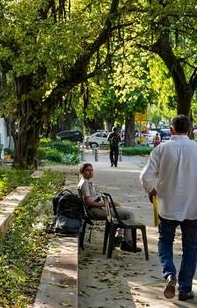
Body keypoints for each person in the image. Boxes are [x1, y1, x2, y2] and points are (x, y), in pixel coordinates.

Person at [141, 114, 197, 301]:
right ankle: (185, 289)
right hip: (193, 207)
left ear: (171, 129)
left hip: (167, 205)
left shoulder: (161, 149)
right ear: (189, 130)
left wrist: (152, 191)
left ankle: (170, 274)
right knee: (191, 247)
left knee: (165, 241)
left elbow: (146, 177)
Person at [78, 162, 139, 252]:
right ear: (82, 171)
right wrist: (105, 205)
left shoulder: (85, 182)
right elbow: (88, 202)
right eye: (87, 170)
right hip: (94, 211)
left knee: (120, 210)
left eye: (91, 170)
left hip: (96, 208)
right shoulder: (84, 184)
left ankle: (118, 238)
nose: (90, 172)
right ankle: (126, 242)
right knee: (129, 214)